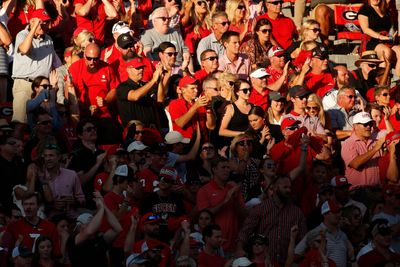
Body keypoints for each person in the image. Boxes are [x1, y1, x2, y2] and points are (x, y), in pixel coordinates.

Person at [11, 9, 62, 138]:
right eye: (42, 22)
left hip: (43, 86)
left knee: (46, 123)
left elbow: (55, 64)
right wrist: (33, 28)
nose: (45, 25)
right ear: (32, 21)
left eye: (47, 23)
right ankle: (16, 153)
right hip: (25, 83)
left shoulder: (49, 39)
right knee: (21, 123)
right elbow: (24, 49)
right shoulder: (22, 35)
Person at [237, 175, 306, 265]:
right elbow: (245, 231)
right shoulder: (261, 208)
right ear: (275, 188)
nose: (288, 190)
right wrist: (239, 248)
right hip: (265, 262)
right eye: (285, 187)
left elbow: (303, 239)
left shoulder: (297, 212)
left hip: (287, 262)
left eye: (289, 187)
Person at [197, 157, 245, 252]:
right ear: (214, 169)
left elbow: (243, 217)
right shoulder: (204, 190)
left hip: (233, 247)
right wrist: (226, 200)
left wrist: (235, 199)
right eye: (223, 167)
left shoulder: (233, 189)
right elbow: (204, 218)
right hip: (214, 248)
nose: (227, 170)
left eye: (228, 167)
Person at [295, 199, 355, 267]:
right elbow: (297, 254)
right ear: (325, 214)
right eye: (335, 212)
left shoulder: (343, 235)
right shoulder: (315, 232)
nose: (338, 214)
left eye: (339, 211)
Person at [116, 57, 165, 127]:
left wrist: (159, 80)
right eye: (137, 68)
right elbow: (135, 96)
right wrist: (153, 80)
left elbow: (160, 100)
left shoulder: (146, 85)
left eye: (142, 67)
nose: (141, 70)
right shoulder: (122, 87)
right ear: (128, 70)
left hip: (151, 129)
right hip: (134, 132)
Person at [341, 112, 386, 187]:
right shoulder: (348, 143)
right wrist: (375, 149)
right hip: (357, 192)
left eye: (370, 124)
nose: (368, 126)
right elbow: (355, 164)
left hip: (376, 190)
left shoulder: (375, 142)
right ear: (355, 126)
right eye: (365, 124)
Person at [41, 144, 85, 218]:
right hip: (49, 218)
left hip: (71, 217)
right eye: (45, 156)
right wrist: (52, 205)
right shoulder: (40, 176)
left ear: (59, 157)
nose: (48, 159)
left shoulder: (71, 174)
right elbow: (35, 202)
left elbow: (82, 199)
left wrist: (74, 201)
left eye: (51, 155)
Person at [358, 0, 400, 76]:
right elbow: (365, 29)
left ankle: (398, 81)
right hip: (371, 40)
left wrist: (392, 35)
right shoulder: (365, 9)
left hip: (386, 40)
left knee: (399, 51)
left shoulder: (386, 11)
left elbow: (390, 29)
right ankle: (381, 82)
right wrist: (380, 36)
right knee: (386, 51)